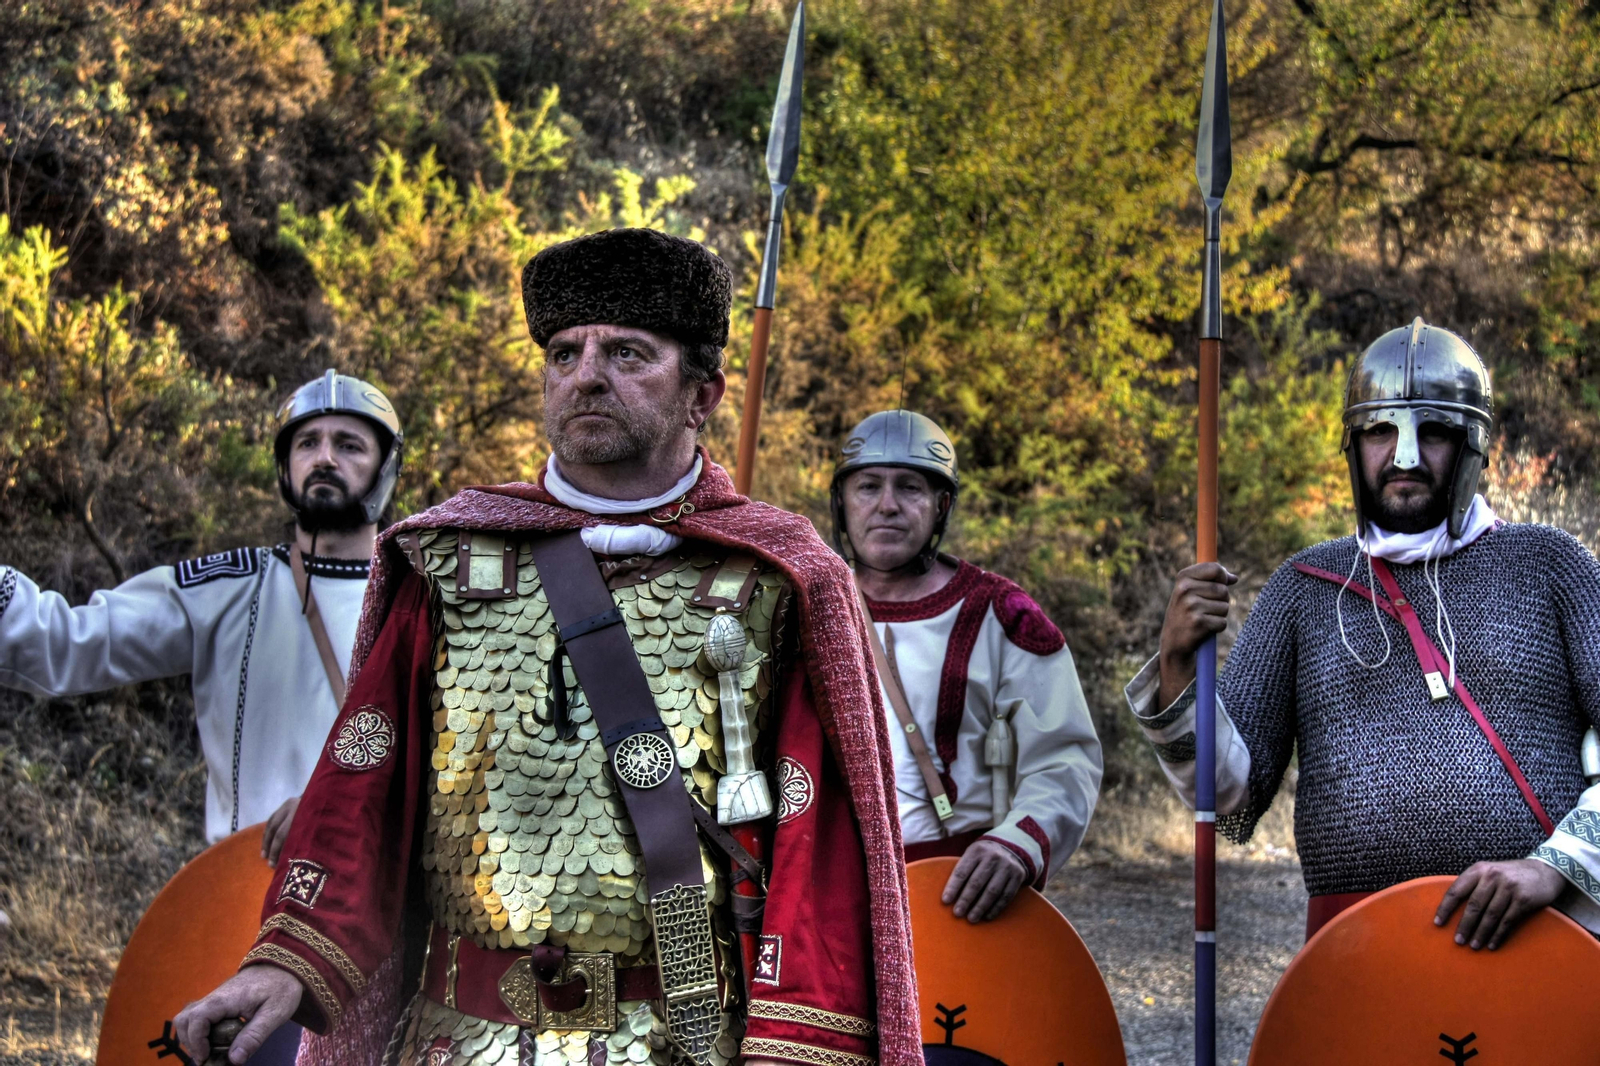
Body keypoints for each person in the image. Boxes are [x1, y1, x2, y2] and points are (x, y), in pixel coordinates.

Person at [173, 228, 921, 1066]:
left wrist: (795, 1047)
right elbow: (363, 787)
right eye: (565, 353)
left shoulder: (775, 578)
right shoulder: (448, 561)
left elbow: (817, 848)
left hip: (680, 1043)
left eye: (628, 353)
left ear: (702, 394)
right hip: (454, 1042)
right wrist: (285, 960)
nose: (588, 374)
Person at [1130, 317, 1600, 948]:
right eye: (1381, 431)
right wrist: (1177, 665)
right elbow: (1228, 794)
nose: (1404, 456)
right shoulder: (1305, 585)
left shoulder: (1550, 566)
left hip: (1533, 934)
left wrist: (1555, 865)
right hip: (1355, 942)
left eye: (1432, 431)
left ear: (1472, 445)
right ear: (1353, 445)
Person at [0, 370, 403, 859]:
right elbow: (64, 643)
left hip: (378, 910)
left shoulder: (419, 603)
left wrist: (335, 805)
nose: (323, 457)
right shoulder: (228, 588)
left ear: (386, 467)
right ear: (285, 465)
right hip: (241, 905)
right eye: (306, 443)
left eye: (349, 445)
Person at [831, 409, 1102, 923]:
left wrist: (1017, 845)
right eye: (868, 486)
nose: (887, 506)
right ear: (842, 503)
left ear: (941, 505)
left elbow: (1066, 759)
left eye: (910, 488)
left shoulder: (1003, 615)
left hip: (957, 897)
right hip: (829, 899)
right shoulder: (801, 605)